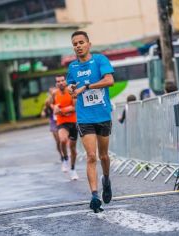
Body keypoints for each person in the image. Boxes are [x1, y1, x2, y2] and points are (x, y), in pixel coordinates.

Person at [67, 31, 114, 213]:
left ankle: (107, 180)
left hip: (102, 115)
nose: (78, 46)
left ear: (89, 44)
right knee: (91, 156)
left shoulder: (100, 60)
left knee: (103, 156)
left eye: (81, 42)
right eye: (75, 44)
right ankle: (95, 196)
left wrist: (86, 87)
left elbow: (109, 80)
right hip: (84, 117)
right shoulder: (72, 67)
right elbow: (72, 85)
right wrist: (72, 88)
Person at [52, 76, 79, 180]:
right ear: (56, 84)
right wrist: (54, 108)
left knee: (73, 148)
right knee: (62, 140)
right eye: (58, 81)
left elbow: (74, 107)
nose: (61, 83)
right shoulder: (55, 93)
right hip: (61, 122)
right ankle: (65, 158)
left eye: (62, 80)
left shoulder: (71, 90)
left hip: (73, 122)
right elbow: (53, 107)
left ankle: (72, 169)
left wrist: (62, 110)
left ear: (66, 81)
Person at [41, 87, 63, 163]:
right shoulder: (48, 101)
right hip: (53, 122)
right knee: (58, 141)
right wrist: (43, 113)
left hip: (61, 120)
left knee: (63, 140)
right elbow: (44, 110)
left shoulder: (60, 97)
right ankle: (61, 155)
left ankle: (65, 154)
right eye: (51, 92)